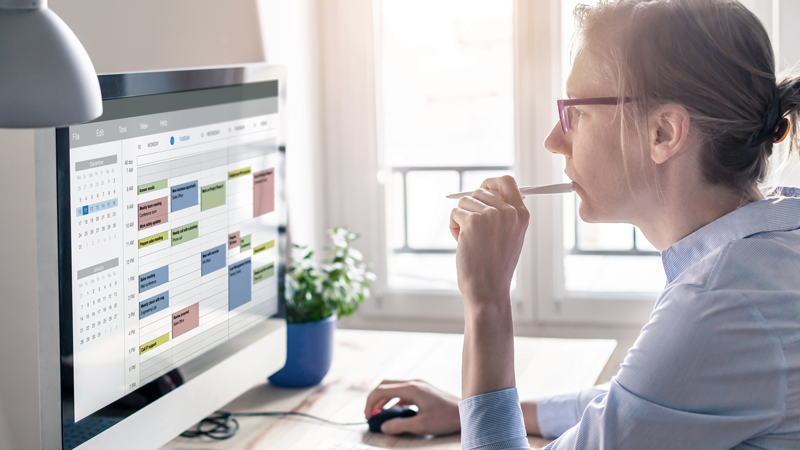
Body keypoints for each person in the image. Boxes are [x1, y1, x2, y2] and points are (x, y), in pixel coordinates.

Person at [364, 0, 800, 448]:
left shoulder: (719, 306)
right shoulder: (771, 250)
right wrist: (469, 411)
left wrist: (487, 302)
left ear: (664, 133)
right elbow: (638, 401)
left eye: (577, 112)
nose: (554, 140)